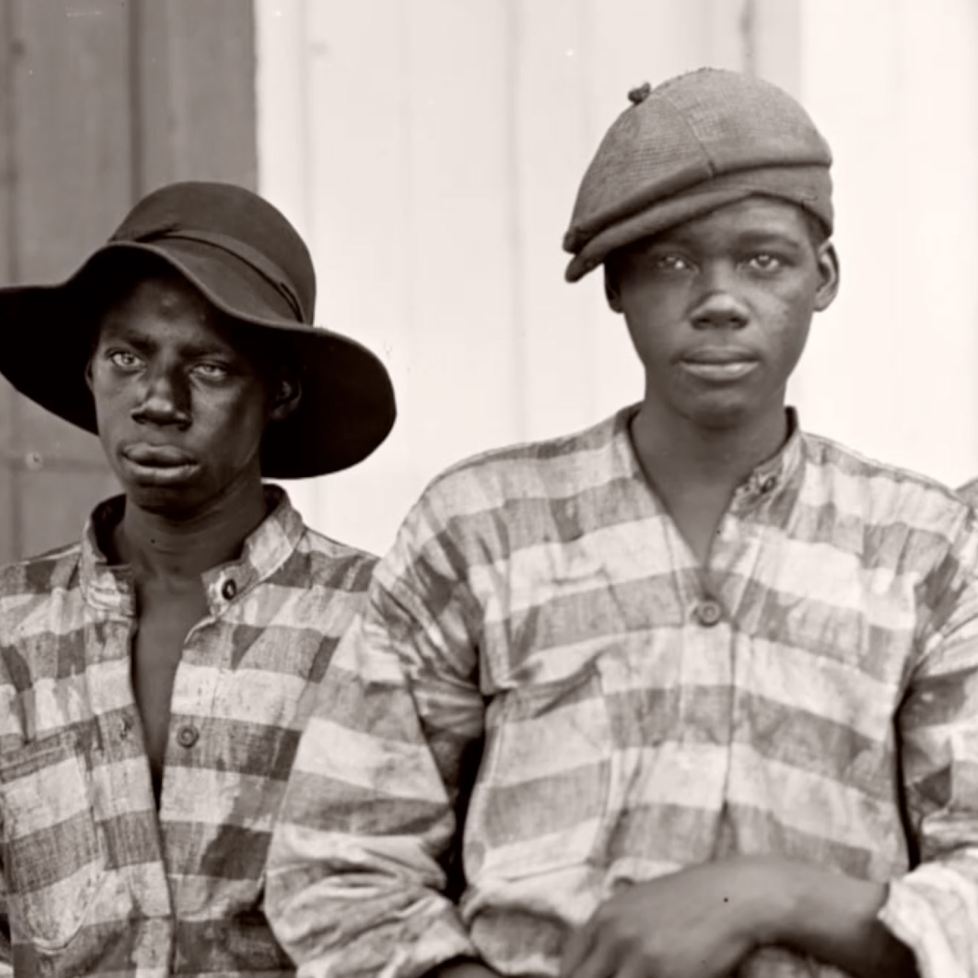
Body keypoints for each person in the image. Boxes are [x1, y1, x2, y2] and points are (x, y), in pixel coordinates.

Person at [265, 69, 978, 978]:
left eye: (763, 259)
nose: (719, 298)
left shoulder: (925, 547)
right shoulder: (482, 530)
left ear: (823, 276)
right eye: (672, 262)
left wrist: (767, 892)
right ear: (615, 286)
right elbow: (339, 860)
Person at [0, 181, 395, 977]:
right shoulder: (10, 629)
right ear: (89, 372)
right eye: (127, 358)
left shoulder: (378, 623)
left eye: (209, 368)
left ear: (279, 391)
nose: (158, 400)